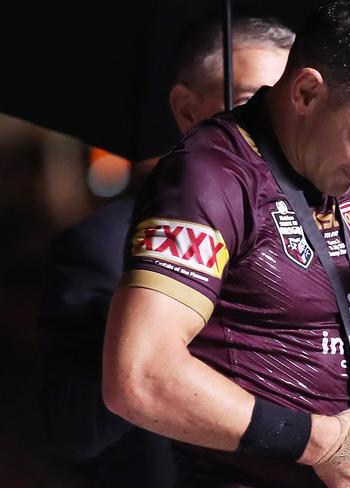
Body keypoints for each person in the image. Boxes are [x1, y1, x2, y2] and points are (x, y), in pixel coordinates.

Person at [102, 1, 350, 487]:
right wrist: (323, 442)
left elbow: (345, 354)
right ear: (307, 92)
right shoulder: (211, 174)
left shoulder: (324, 163)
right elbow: (138, 376)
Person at [38, 16, 294, 488]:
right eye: (250, 103)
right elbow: (67, 430)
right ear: (186, 109)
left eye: (292, 106)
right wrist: (166, 321)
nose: (275, 128)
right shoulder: (101, 246)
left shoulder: (307, 244)